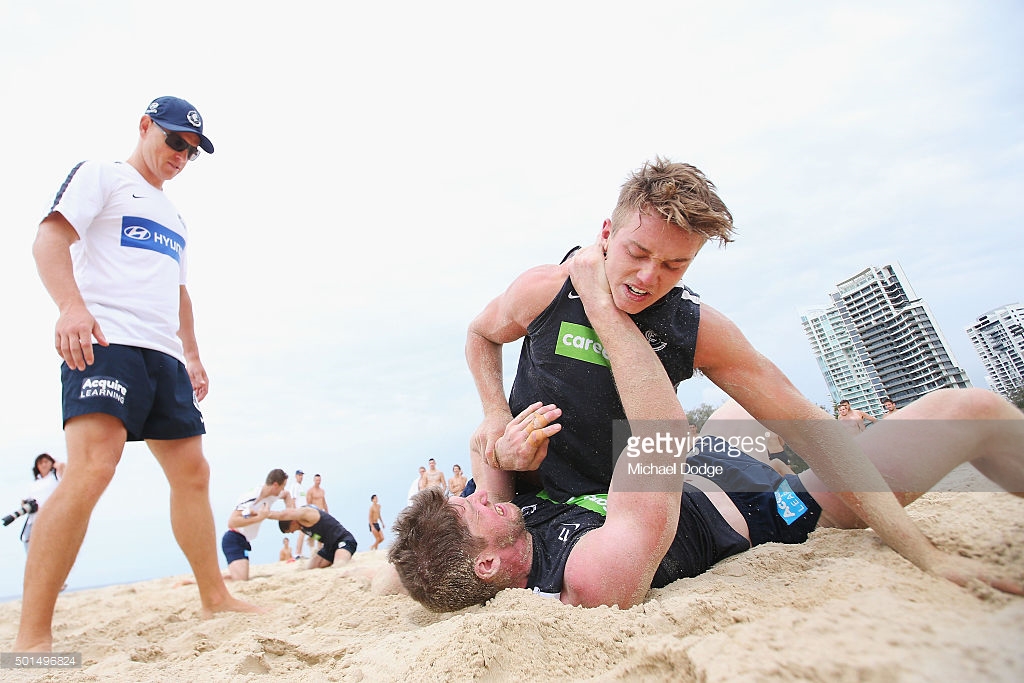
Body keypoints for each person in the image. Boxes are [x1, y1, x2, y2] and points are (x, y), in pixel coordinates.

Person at [391, 250, 1024, 610]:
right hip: (767, 507)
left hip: (710, 462)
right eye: (475, 508)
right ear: (491, 564)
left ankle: (857, 441)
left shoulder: (504, 527)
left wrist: (497, 426)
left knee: (778, 413)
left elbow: (480, 444)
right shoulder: (588, 576)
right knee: (971, 410)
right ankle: (868, 459)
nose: (482, 494)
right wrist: (595, 296)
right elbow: (660, 429)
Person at [464, 157, 968, 586]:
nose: (646, 278)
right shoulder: (545, 290)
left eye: (673, 265)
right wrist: (493, 410)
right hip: (526, 494)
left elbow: (816, 434)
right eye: (637, 253)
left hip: (623, 499)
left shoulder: (694, 329)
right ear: (605, 234)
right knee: (409, 577)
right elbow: (481, 334)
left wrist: (923, 552)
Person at [16, 96, 259, 652]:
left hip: (164, 356)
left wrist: (193, 355)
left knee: (194, 472)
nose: (181, 155)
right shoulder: (102, 175)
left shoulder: (174, 215)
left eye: (192, 151)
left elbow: (178, 292)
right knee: (92, 468)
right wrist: (70, 308)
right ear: (145, 126)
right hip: (107, 344)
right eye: (175, 141)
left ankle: (215, 596)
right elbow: (49, 239)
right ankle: (32, 640)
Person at [221, 468, 294, 581]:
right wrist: (259, 517)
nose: (282, 489)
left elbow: (286, 495)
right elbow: (232, 522)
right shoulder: (252, 497)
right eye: (282, 486)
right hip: (233, 539)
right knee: (241, 580)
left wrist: (290, 512)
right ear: (275, 485)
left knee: (240, 577)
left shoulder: (274, 495)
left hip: (244, 541)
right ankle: (199, 581)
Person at [271, 506, 357, 568]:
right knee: (311, 567)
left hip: (343, 539)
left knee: (339, 565)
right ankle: (341, 556)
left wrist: (267, 514)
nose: (292, 532)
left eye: (290, 530)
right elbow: (317, 533)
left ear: (292, 522)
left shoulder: (306, 514)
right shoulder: (302, 527)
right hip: (329, 546)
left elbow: (293, 510)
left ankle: (345, 556)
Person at [17, 454, 66, 552]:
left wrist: (55, 463)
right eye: (40, 463)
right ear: (37, 466)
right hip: (33, 521)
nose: (43, 465)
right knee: (31, 551)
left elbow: (63, 467)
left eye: (46, 462)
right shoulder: (33, 484)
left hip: (51, 519)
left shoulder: (55, 477)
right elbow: (24, 501)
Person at [288, 470, 308, 559]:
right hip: (299, 512)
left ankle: (299, 552)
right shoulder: (294, 486)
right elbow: (293, 499)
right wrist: (295, 512)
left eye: (302, 475)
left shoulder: (301, 487)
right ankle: (297, 553)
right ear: (296, 476)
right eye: (299, 475)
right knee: (302, 532)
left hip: (304, 511)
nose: (301, 477)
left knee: (304, 532)